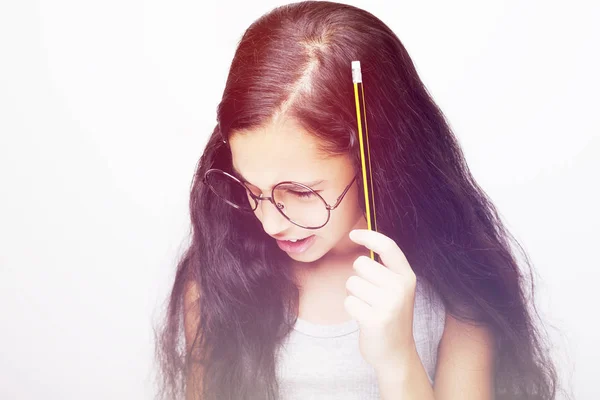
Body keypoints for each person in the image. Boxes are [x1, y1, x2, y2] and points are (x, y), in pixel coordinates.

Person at [155, 2, 558, 399]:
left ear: (375, 163)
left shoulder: (459, 286)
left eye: (301, 192)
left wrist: (397, 359)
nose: (271, 222)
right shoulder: (219, 275)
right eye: (250, 188)